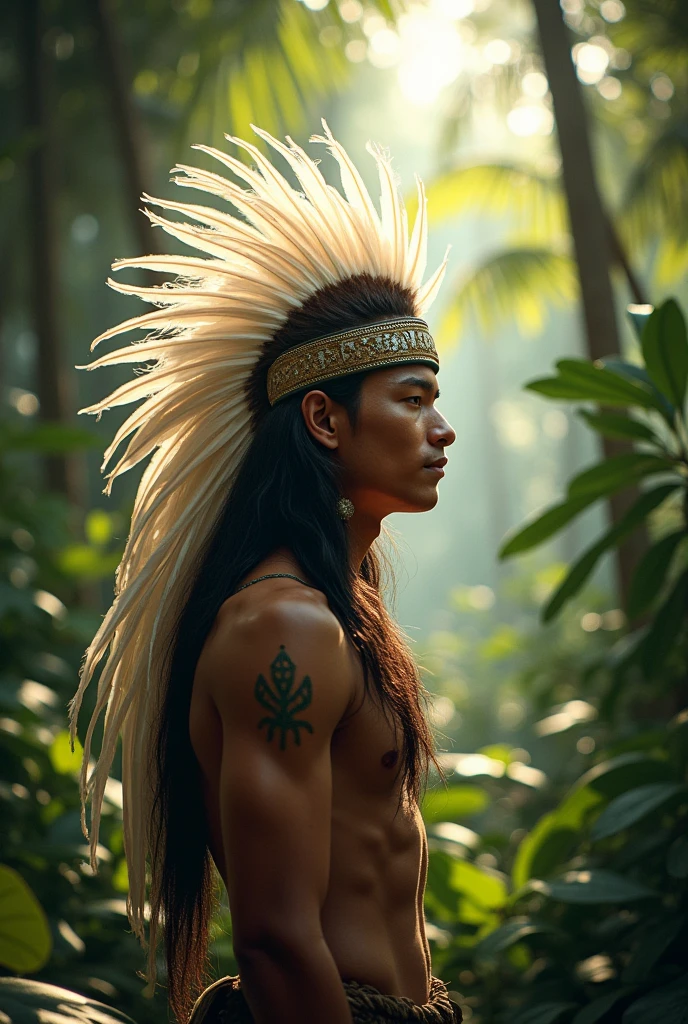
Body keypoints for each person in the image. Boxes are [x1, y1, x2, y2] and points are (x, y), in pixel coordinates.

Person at [69, 122, 461, 1024]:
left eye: (436, 401)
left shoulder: (340, 610)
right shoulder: (282, 627)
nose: (441, 430)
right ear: (324, 421)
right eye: (412, 400)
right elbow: (279, 941)